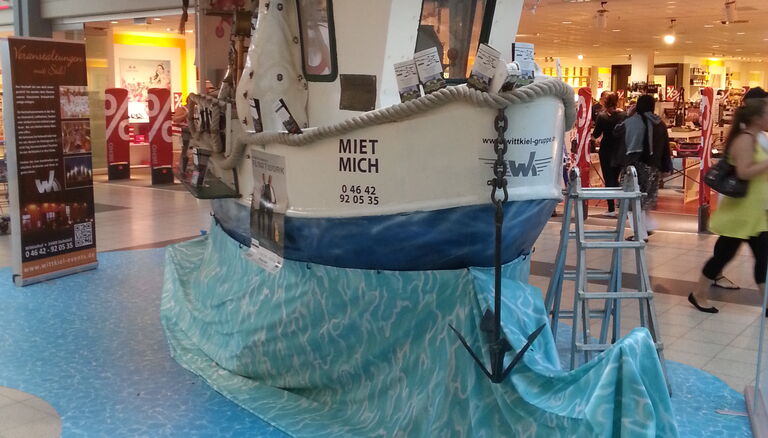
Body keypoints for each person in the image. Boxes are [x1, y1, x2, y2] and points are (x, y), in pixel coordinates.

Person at [688, 98, 768, 313]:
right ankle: (698, 294)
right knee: (723, 256)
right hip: (740, 214)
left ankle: (767, 303)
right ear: (757, 117)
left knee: (762, 258)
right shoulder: (744, 140)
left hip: (754, 213)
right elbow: (744, 172)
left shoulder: (757, 138)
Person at [614, 94, 672, 241]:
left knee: (630, 201)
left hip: (635, 166)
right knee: (645, 200)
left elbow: (617, 131)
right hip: (654, 167)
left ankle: (640, 234)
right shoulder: (660, 123)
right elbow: (666, 148)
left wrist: (627, 114)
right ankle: (647, 226)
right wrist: (666, 167)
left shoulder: (632, 121)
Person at [592, 92, 626, 217]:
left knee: (608, 178)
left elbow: (596, 134)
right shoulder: (623, 115)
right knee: (617, 177)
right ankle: (621, 205)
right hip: (619, 149)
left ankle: (611, 208)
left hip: (606, 149)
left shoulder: (602, 116)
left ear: (605, 102)